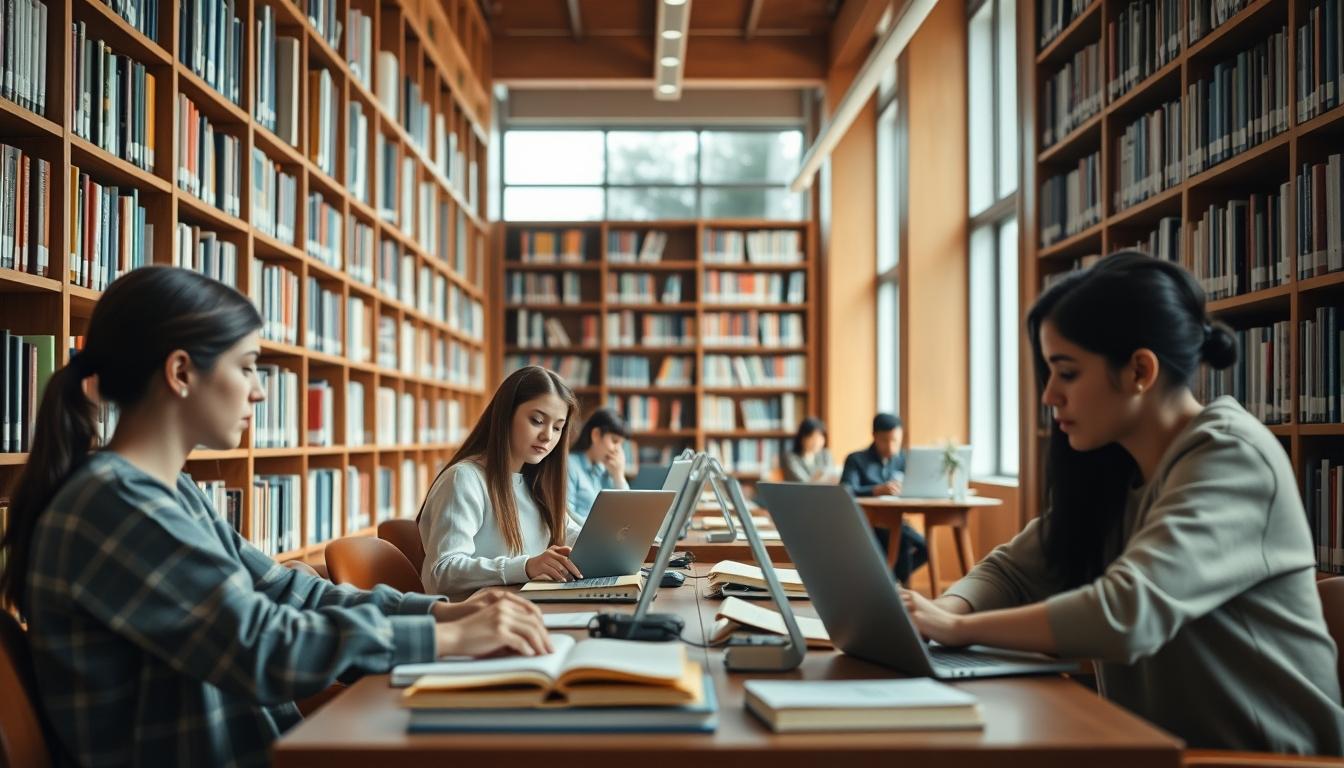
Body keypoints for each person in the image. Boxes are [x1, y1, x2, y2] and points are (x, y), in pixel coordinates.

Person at [0, 267, 551, 768]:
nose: (260, 391)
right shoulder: (113, 503)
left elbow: (288, 592)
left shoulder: (169, 492)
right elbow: (259, 642)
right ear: (181, 372)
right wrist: (443, 641)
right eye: (246, 368)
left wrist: (441, 614)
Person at [901, 252, 1344, 754]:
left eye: (1067, 373)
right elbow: (1012, 572)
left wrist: (957, 628)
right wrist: (939, 612)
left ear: (1139, 370)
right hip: (1155, 750)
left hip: (1260, 762)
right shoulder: (1118, 466)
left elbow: (1126, 612)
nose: (1049, 395)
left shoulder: (1232, 456)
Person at [419, 365, 584, 601]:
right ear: (506, 415)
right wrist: (526, 567)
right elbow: (443, 571)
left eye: (557, 427)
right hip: (474, 615)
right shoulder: (464, 479)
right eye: (537, 420)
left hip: (525, 609)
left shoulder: (537, 484)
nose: (548, 436)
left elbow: (575, 536)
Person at [842, 413, 928, 584]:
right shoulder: (856, 459)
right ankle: (888, 583)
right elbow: (845, 490)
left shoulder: (902, 459)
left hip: (898, 521)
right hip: (867, 523)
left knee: (926, 548)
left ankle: (886, 581)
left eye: (895, 440)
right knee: (901, 543)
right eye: (885, 440)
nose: (890, 446)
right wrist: (876, 490)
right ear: (874, 436)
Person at [567, 407, 631, 522]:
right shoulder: (569, 465)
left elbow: (627, 516)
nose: (618, 450)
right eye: (614, 441)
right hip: (580, 533)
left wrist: (619, 476)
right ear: (596, 435)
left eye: (621, 445)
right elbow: (566, 518)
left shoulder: (607, 470)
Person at [781, 417, 837, 482]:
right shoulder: (790, 458)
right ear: (802, 438)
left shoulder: (825, 455)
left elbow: (832, 477)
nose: (817, 441)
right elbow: (802, 483)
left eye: (820, 437)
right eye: (813, 437)